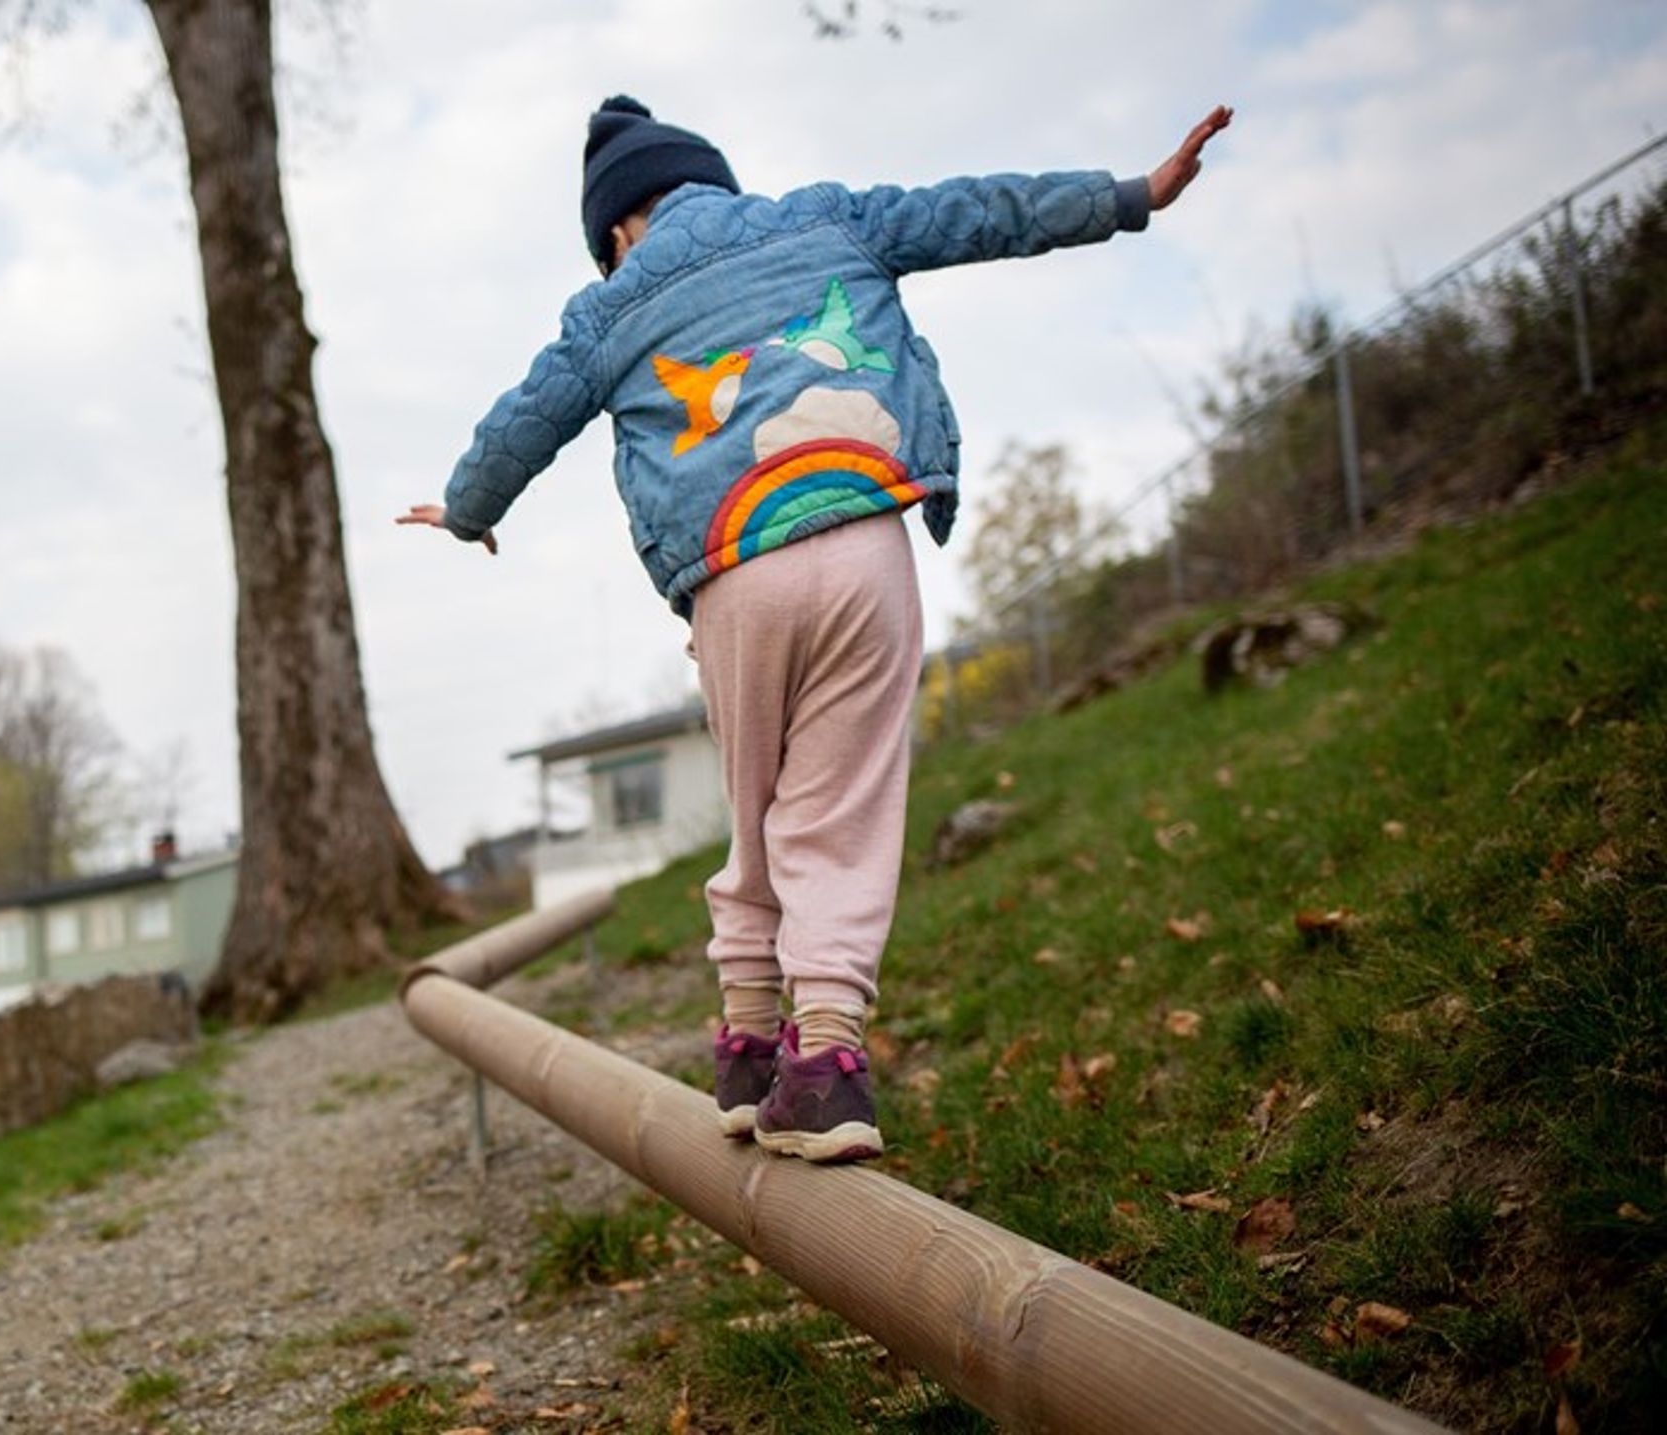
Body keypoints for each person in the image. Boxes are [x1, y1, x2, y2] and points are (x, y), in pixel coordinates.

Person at [400, 95, 1231, 1162]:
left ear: (616, 229)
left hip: (734, 576)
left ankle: (748, 1052)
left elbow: (522, 423)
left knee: (754, 814)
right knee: (835, 812)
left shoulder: (605, 310)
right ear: (710, 184)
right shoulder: (823, 219)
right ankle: (826, 1065)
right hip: (860, 540)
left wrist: (466, 512)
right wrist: (1128, 197)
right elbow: (976, 213)